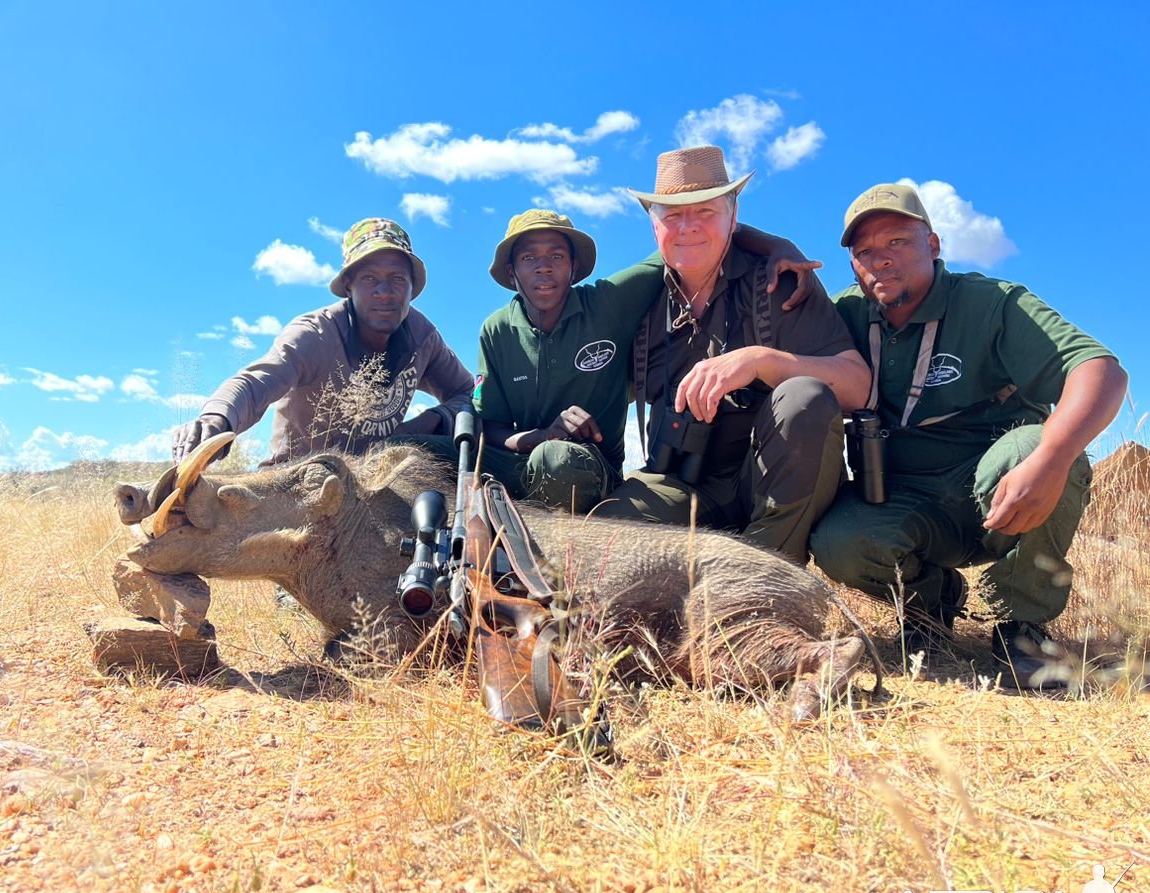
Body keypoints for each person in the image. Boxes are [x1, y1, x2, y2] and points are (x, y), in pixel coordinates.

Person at [808, 183, 1127, 687]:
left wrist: (1053, 458)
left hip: (1000, 492)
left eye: (897, 243)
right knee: (838, 542)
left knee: (1038, 446)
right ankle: (931, 603)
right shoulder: (842, 313)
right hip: (905, 499)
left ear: (933, 245)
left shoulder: (993, 303)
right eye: (864, 251)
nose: (881, 261)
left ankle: (1021, 628)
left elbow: (1100, 371)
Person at [595, 146, 871, 565]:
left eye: (705, 211)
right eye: (672, 215)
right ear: (654, 228)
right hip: (682, 480)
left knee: (804, 398)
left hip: (769, 486)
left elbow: (858, 387)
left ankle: (763, 579)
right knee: (607, 541)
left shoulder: (780, 284)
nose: (688, 227)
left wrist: (761, 361)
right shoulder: (638, 301)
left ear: (733, 216)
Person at [171, 218, 473, 466]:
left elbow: (468, 393)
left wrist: (431, 421)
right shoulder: (315, 334)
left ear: (412, 288)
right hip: (295, 484)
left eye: (397, 279)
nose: (384, 291)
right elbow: (254, 383)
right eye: (369, 279)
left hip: (375, 488)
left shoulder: (422, 338)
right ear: (347, 286)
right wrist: (216, 420)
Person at [471, 209, 663, 511]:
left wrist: (763, 242)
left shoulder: (607, 304)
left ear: (574, 268)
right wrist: (543, 435)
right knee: (425, 448)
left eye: (557, 256)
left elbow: (682, 240)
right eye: (528, 258)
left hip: (587, 467)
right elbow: (492, 428)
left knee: (556, 461)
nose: (543, 267)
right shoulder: (496, 330)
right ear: (512, 273)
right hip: (519, 464)